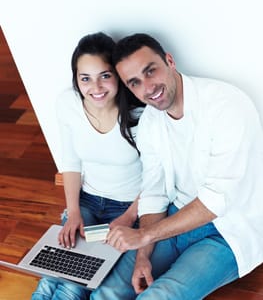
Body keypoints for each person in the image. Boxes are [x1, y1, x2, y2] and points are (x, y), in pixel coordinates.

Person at [90, 33, 263, 300]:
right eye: (135, 82)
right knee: (106, 292)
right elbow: (154, 192)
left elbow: (216, 202)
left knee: (158, 297)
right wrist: (143, 255)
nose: (148, 88)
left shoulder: (226, 105)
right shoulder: (150, 122)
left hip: (227, 230)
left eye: (150, 71)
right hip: (173, 218)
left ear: (169, 61)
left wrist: (144, 235)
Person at [31, 32, 144, 300]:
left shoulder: (140, 115)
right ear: (76, 80)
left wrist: (128, 217)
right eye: (85, 78)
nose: (96, 87)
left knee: (74, 284)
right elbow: (71, 162)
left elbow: (157, 177)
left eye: (104, 75)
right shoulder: (67, 104)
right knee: (52, 278)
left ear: (117, 75)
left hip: (127, 210)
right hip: (87, 204)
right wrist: (73, 213)